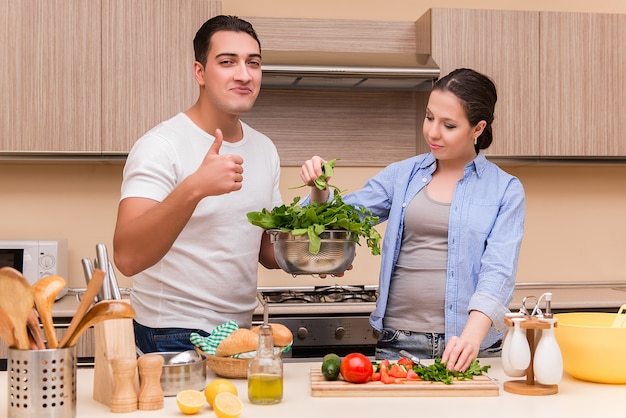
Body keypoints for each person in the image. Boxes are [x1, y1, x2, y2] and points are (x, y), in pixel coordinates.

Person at [300, 68, 525, 371]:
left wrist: (471, 338)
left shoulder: (505, 190)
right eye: (429, 117)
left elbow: (498, 270)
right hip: (400, 345)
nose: (433, 132)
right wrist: (319, 189)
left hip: (473, 348)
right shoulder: (402, 175)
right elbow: (339, 219)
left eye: (448, 125)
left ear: (477, 128)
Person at [113, 15, 282, 354]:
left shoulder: (264, 148)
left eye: (253, 63)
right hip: (170, 332)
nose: (244, 74)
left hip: (238, 332)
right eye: (227, 62)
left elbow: (265, 249)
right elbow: (127, 257)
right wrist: (196, 187)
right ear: (199, 72)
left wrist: (317, 254)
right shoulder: (162, 145)